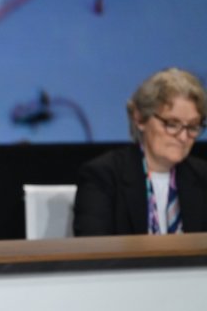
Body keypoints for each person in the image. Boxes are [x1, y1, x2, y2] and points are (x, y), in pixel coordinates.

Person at [74, 68, 207, 236]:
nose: (183, 137)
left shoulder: (203, 177)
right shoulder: (103, 175)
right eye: (172, 124)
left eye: (193, 127)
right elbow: (92, 252)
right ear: (140, 118)